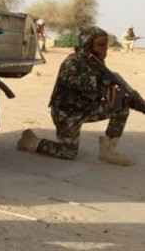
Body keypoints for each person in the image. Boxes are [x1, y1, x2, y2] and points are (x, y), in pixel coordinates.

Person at [17, 26, 133, 166]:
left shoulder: (96, 63)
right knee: (68, 153)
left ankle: (108, 150)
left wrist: (122, 96)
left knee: (122, 107)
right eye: (101, 45)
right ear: (87, 45)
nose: (105, 49)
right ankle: (31, 141)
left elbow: (104, 89)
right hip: (67, 114)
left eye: (106, 46)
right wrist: (101, 81)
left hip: (87, 109)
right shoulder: (72, 61)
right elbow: (70, 80)